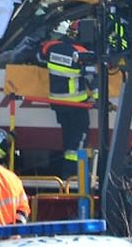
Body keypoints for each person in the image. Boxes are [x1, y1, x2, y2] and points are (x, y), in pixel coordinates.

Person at [39, 20, 97, 179]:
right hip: (76, 104)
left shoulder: (51, 47)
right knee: (78, 141)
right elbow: (92, 79)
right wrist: (99, 100)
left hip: (58, 103)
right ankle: (73, 176)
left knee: (68, 139)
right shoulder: (81, 53)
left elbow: (40, 57)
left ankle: (67, 176)